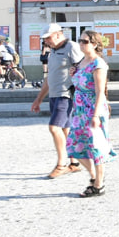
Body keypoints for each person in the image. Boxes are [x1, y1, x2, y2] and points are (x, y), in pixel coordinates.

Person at [30, 24, 84, 179]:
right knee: (65, 129)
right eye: (45, 38)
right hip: (54, 95)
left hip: (65, 94)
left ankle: (61, 164)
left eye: (49, 37)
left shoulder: (71, 47)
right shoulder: (52, 51)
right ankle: (74, 163)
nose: (47, 41)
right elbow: (49, 78)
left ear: (59, 34)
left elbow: (84, 68)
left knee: (54, 128)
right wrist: (38, 99)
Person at [66, 30, 116, 197]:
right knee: (73, 145)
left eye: (85, 41)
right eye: (80, 41)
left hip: (93, 109)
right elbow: (78, 83)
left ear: (94, 44)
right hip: (79, 109)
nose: (81, 44)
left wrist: (95, 115)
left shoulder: (98, 64)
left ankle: (98, 185)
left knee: (96, 148)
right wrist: (73, 73)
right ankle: (94, 176)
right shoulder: (81, 62)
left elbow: (100, 91)